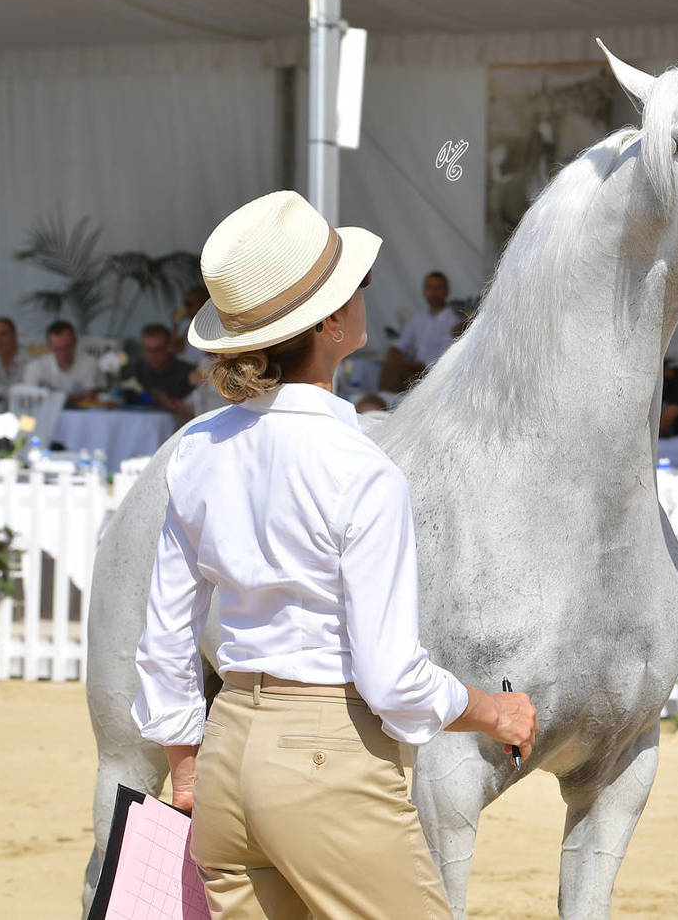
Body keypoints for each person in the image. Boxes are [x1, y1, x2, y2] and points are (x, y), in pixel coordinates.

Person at [131, 190, 536, 918]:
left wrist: (186, 762)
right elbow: (393, 678)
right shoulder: (361, 468)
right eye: (353, 287)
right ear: (331, 323)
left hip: (228, 753)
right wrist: (494, 712)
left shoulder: (195, 452)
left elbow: (165, 634)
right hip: (326, 760)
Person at [385, 271, 459, 388]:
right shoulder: (419, 316)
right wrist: (395, 352)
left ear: (446, 291)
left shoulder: (452, 322)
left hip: (435, 378)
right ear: (424, 291)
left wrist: (406, 364)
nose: (434, 292)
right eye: (429, 288)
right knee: (388, 366)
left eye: (438, 288)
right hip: (412, 372)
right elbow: (402, 343)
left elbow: (442, 361)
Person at [122, 324, 197, 418]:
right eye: (148, 350)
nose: (153, 355)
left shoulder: (186, 373)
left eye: (158, 350)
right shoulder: (135, 369)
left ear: (168, 347)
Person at [22, 320, 99, 398]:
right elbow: (29, 398)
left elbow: (91, 398)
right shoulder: (35, 367)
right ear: (49, 346)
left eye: (67, 347)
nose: (63, 353)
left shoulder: (90, 364)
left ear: (75, 342)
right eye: (57, 349)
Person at [172, 284, 210, 368]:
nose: (186, 307)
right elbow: (176, 348)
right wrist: (175, 323)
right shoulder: (192, 325)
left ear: (201, 304)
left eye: (189, 304)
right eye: (185, 303)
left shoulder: (207, 326)